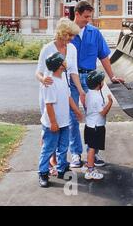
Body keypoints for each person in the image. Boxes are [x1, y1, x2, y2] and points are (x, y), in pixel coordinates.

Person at [69, 1, 124, 169]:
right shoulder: (68, 32)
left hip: (92, 80)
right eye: (86, 17)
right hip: (72, 79)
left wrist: (112, 76)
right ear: (76, 14)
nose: (89, 20)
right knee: (72, 117)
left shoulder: (95, 33)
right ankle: (76, 154)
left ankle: (93, 153)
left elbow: (104, 57)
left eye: (90, 17)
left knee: (96, 116)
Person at [36, 18, 84, 175]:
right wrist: (43, 79)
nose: (71, 39)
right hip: (49, 89)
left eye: (72, 36)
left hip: (65, 90)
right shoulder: (48, 48)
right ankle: (49, 163)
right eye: (69, 35)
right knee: (49, 128)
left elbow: (74, 72)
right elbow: (39, 71)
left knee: (65, 124)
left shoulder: (72, 49)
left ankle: (60, 163)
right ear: (62, 33)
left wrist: (80, 90)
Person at [38, 52, 83, 188]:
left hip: (64, 122)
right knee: (48, 148)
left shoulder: (63, 78)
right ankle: (43, 173)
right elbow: (49, 104)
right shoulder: (50, 83)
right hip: (53, 123)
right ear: (59, 65)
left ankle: (62, 168)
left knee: (63, 147)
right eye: (64, 61)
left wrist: (76, 110)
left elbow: (68, 97)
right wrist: (53, 122)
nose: (66, 62)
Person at [83, 70, 112, 180]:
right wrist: (110, 102)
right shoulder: (97, 97)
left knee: (91, 147)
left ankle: (89, 165)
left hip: (89, 125)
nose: (103, 82)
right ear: (98, 84)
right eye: (102, 80)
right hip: (96, 126)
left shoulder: (89, 94)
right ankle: (90, 170)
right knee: (92, 148)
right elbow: (103, 113)